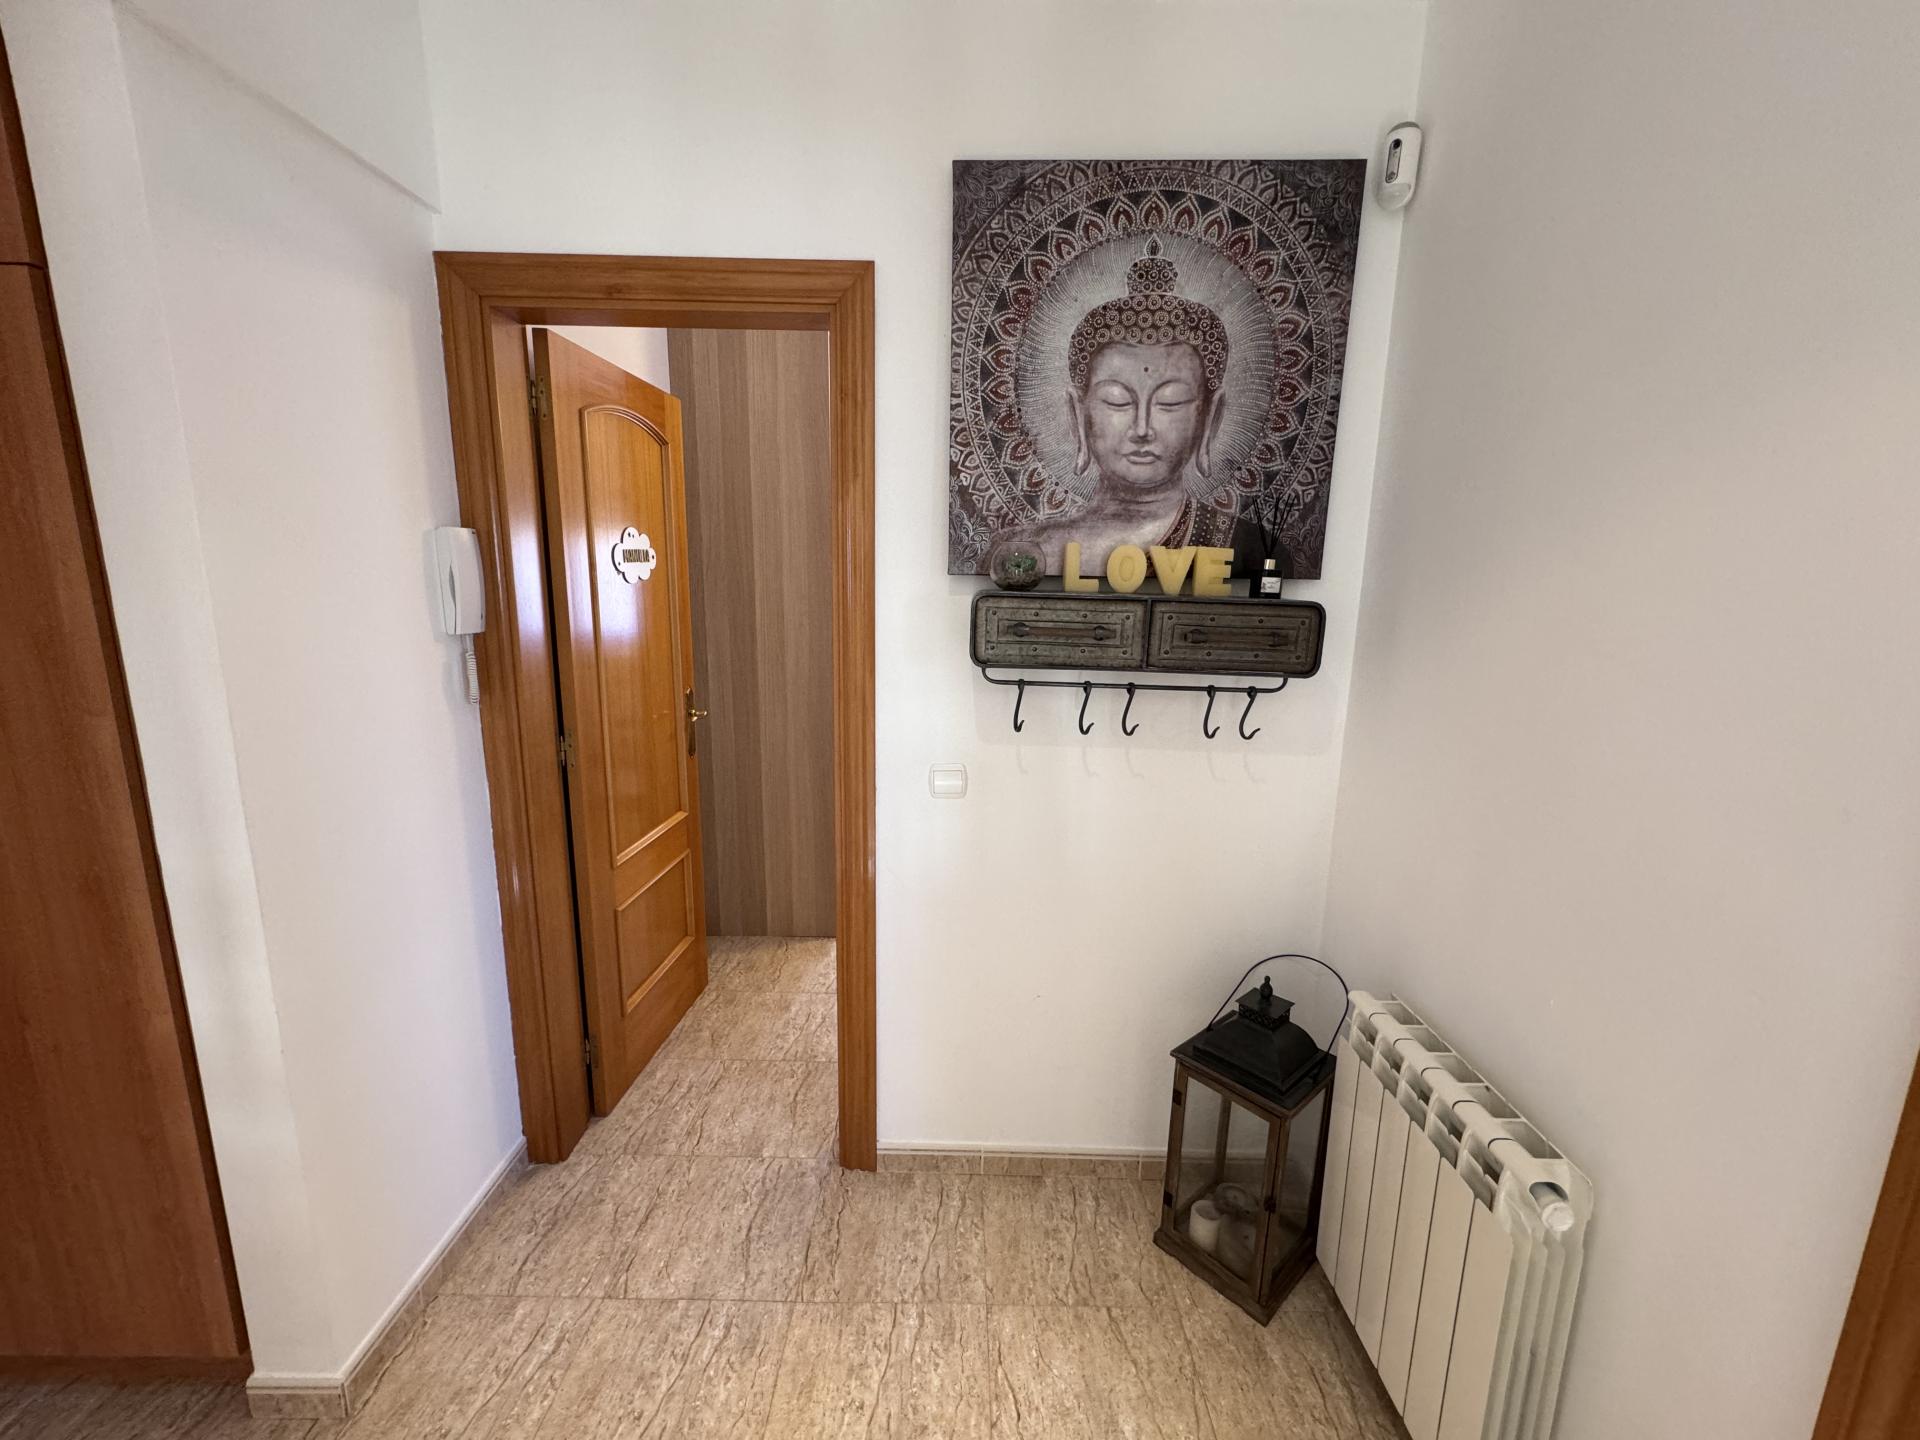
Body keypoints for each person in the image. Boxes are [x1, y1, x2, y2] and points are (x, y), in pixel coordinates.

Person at [998, 239, 1262, 576]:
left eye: (1170, 402)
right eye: (1117, 400)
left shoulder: (1247, 548)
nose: (1142, 429)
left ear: (1210, 417)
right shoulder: (1027, 553)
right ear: (1078, 414)